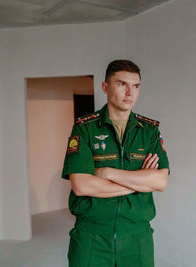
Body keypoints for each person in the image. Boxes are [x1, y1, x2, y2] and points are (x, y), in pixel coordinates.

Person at [61, 59, 170, 267]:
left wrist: (109, 173)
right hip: (91, 236)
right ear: (105, 87)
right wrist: (138, 183)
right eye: (122, 84)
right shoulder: (85, 129)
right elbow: (82, 185)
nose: (130, 93)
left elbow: (160, 182)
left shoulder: (149, 131)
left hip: (137, 238)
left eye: (135, 86)